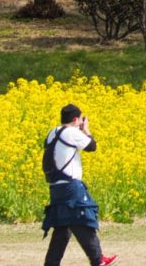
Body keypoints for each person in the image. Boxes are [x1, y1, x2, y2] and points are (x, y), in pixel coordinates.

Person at [40, 103, 117, 266]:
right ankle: (98, 260)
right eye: (80, 119)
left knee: (62, 228)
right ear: (76, 119)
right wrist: (86, 129)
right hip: (71, 187)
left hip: (55, 188)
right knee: (83, 220)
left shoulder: (51, 133)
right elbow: (92, 146)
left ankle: (51, 263)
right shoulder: (72, 132)